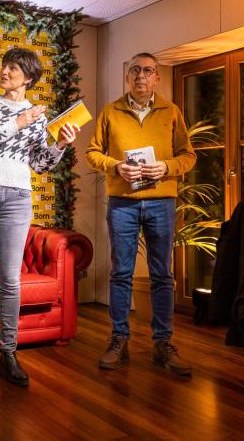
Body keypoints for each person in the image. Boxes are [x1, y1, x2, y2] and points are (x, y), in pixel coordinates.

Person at [0, 48, 80, 392]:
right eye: (4, 66)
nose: (5, 72)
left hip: (16, 197)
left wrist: (59, 145)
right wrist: (18, 122)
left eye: (13, 68)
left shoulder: (38, 116)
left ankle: (8, 353)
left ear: (28, 78)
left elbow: (40, 163)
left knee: (11, 280)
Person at [86, 52, 196, 375]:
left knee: (162, 274)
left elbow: (188, 156)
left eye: (148, 71)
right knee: (121, 272)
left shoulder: (171, 112)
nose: (141, 76)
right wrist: (116, 166)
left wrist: (167, 167)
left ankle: (163, 343)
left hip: (161, 203)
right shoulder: (110, 112)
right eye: (135, 70)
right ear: (127, 77)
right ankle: (119, 340)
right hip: (123, 203)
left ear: (157, 78)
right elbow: (92, 153)